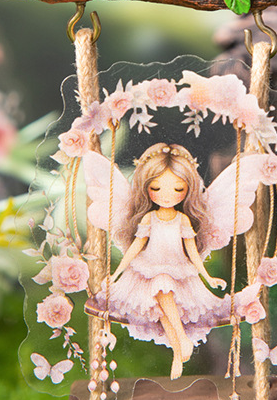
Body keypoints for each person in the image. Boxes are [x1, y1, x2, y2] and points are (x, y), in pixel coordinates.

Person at [91, 143, 227, 380]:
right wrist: (117, 273)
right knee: (160, 292)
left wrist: (207, 276)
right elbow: (136, 247)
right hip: (149, 268)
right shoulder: (149, 218)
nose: (166, 195)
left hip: (177, 270)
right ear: (146, 189)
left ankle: (179, 350)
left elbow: (192, 251)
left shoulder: (183, 220)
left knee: (163, 292)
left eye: (178, 188)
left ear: (188, 189)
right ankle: (180, 345)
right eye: (156, 188)